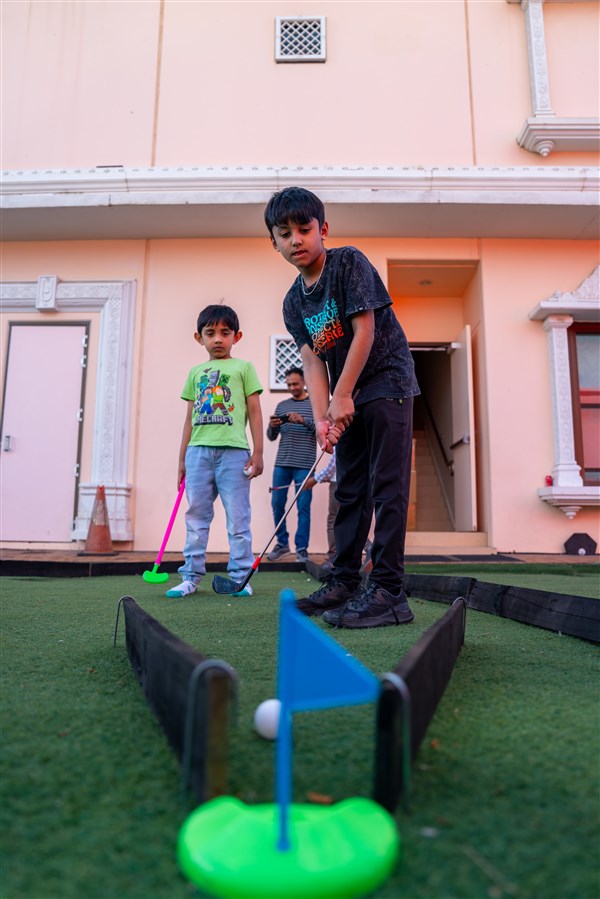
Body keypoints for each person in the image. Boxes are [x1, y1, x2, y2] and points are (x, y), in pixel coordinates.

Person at [264, 186, 420, 628]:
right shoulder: (294, 302)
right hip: (345, 396)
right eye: (285, 233)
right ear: (273, 242)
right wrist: (320, 417)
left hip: (387, 381)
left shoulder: (348, 262)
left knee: (386, 486)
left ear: (323, 230)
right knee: (349, 489)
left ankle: (389, 591)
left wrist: (343, 396)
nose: (297, 239)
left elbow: (365, 331)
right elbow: (313, 360)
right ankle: (345, 581)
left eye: (304, 229)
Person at [166, 304, 263, 598]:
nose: (218, 339)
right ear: (199, 338)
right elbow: (189, 419)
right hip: (198, 453)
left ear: (237, 336)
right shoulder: (196, 373)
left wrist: (258, 452)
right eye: (210, 333)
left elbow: (256, 412)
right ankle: (190, 577)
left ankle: (240, 578)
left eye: (225, 333)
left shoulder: (243, 368)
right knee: (196, 516)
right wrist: (182, 458)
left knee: (238, 517)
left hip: (235, 452)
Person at [265, 367, 316, 562]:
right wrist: (272, 426)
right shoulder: (281, 406)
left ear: (304, 382)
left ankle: (302, 548)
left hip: (305, 465)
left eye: (295, 384)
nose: (292, 387)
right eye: (288, 385)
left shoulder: (314, 404)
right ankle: (282, 544)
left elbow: (321, 430)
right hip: (282, 464)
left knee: (303, 507)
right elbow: (271, 437)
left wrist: (302, 420)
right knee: (277, 504)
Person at [302, 449, 338, 571]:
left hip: (338, 483)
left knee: (333, 520)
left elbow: (333, 464)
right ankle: (369, 548)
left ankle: (334, 557)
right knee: (351, 518)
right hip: (353, 481)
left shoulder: (342, 432)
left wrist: (315, 479)